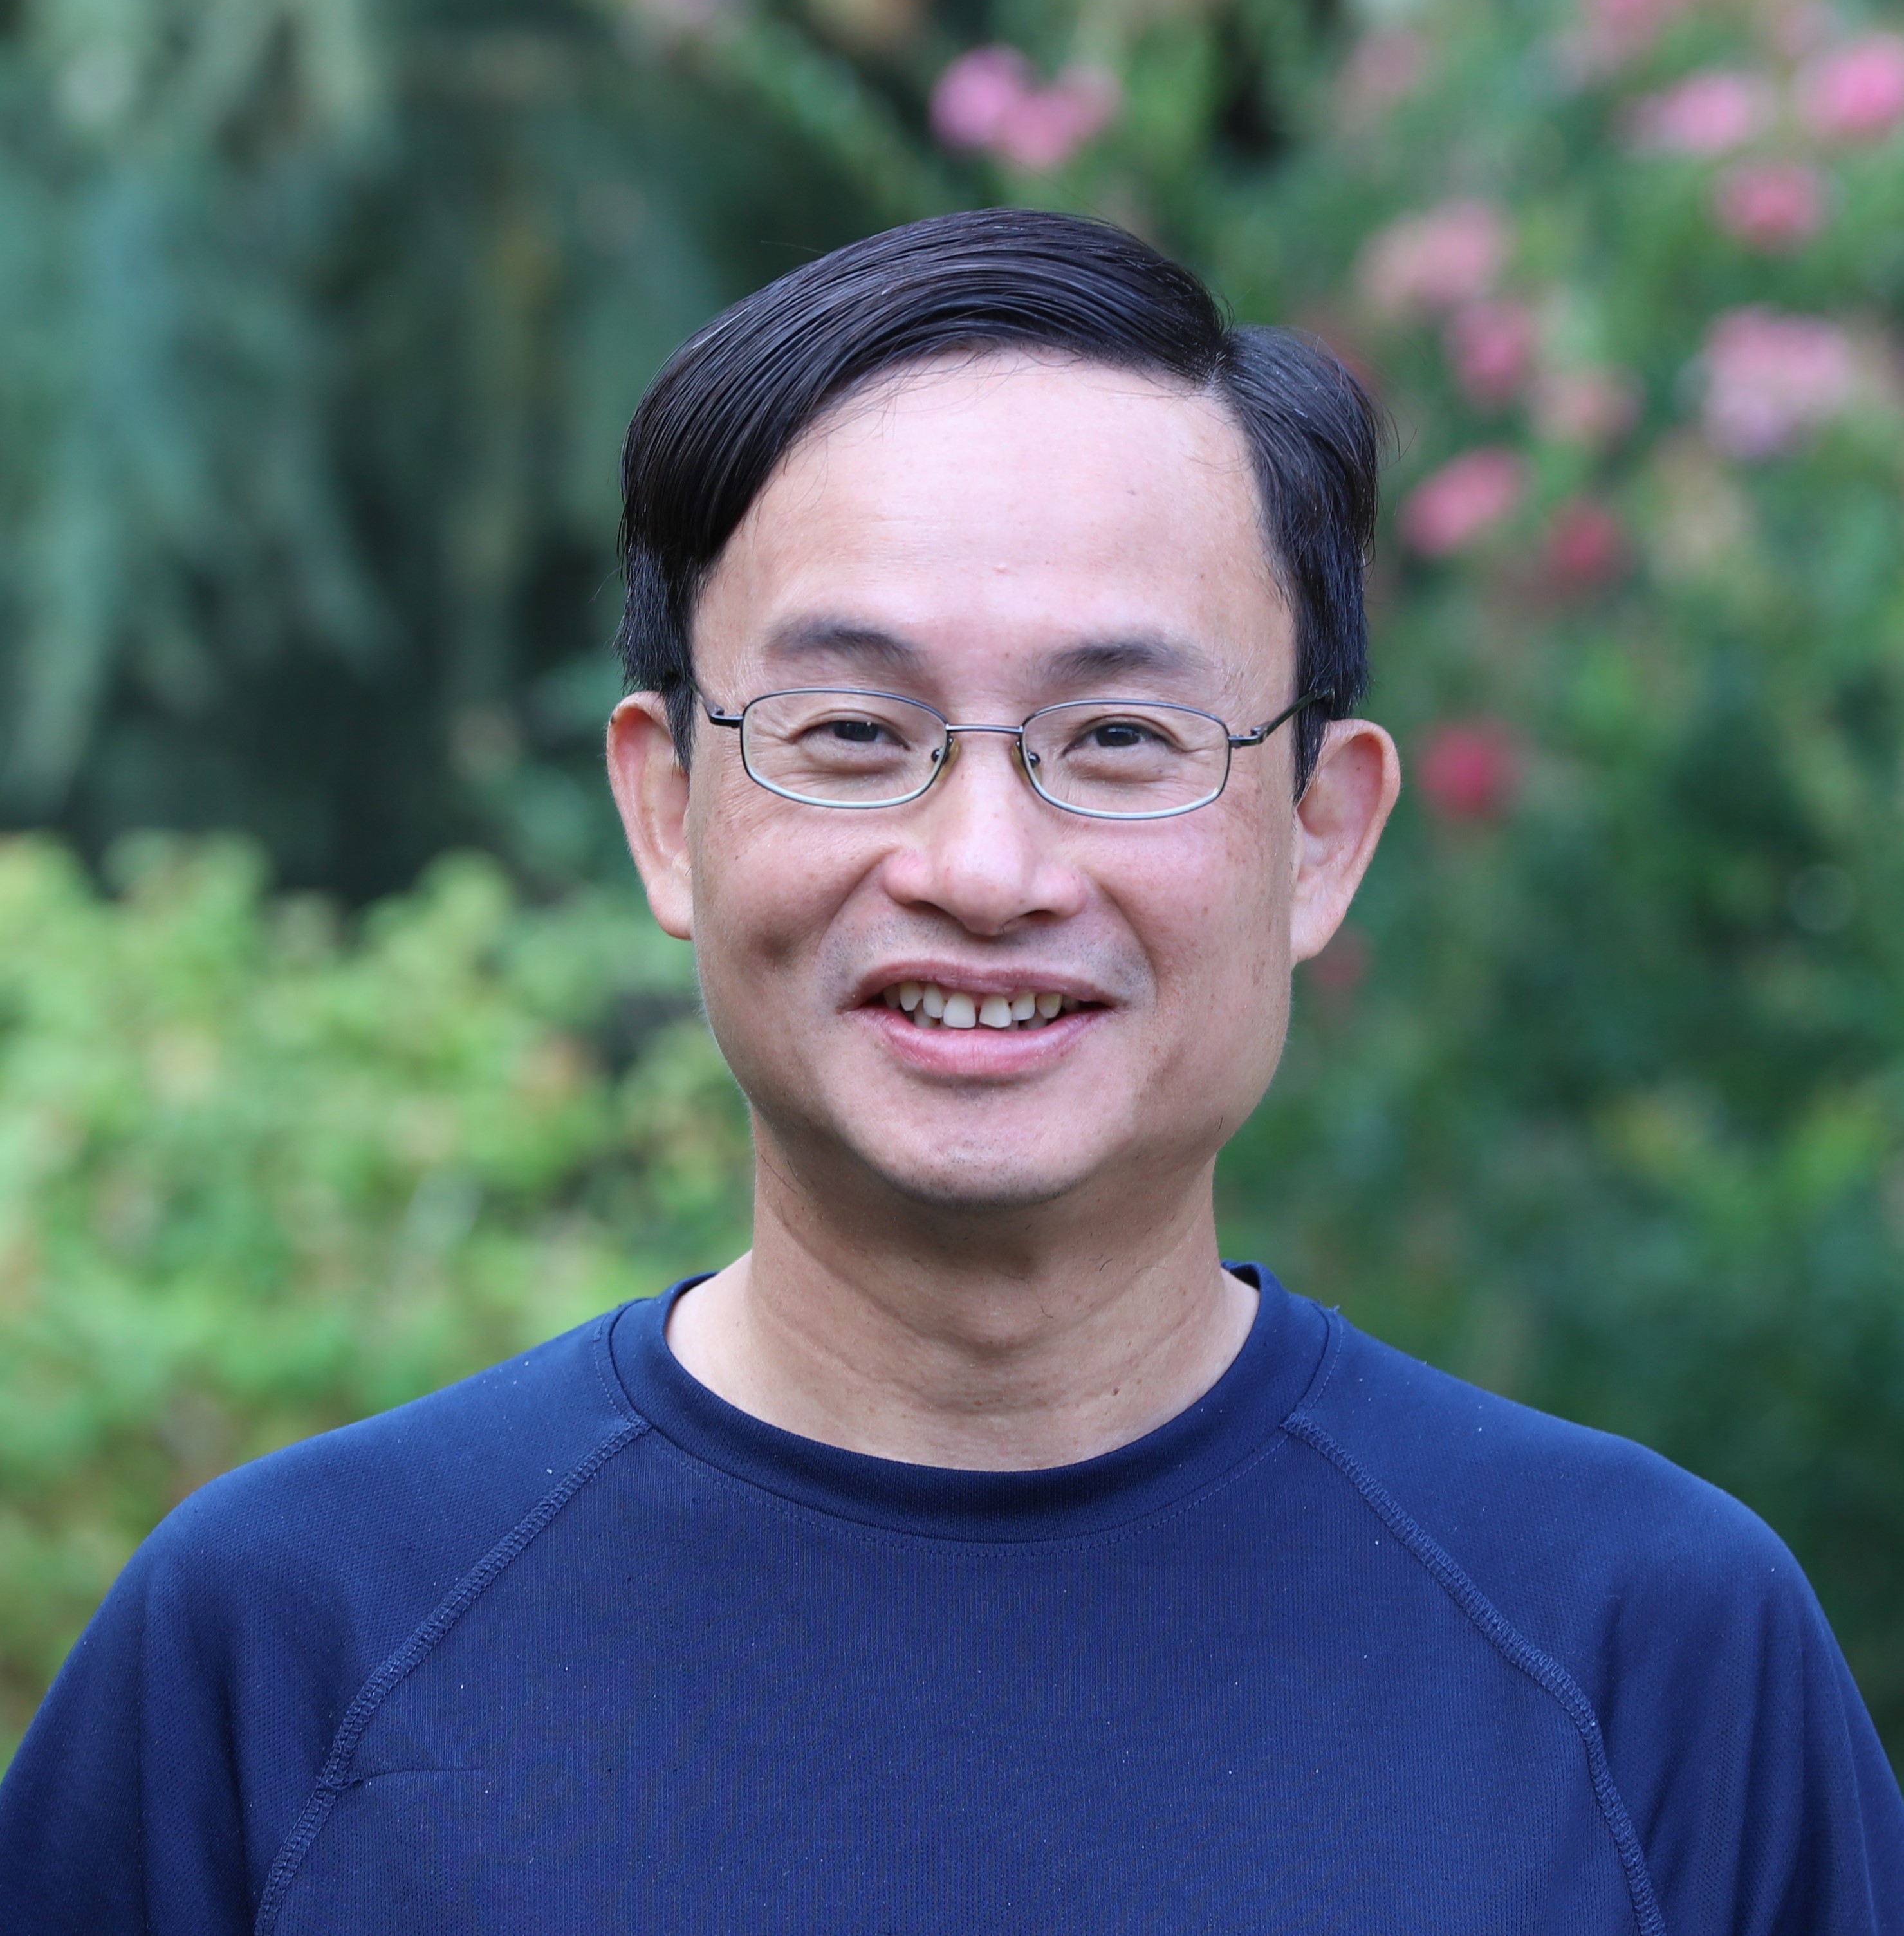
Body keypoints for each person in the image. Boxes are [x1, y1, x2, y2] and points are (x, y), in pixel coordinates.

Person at [2, 209, 1899, 1935]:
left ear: (1322, 831)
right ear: (668, 810)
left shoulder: (1647, 1653)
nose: (983, 868)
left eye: (1123, 732)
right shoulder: (288, 1648)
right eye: (851, 729)